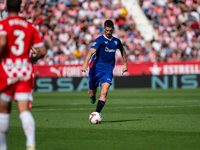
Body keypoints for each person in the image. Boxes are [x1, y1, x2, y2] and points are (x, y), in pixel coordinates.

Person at [0, 0, 47, 150]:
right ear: (21, 7)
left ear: (6, 7)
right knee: (24, 110)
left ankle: (3, 146)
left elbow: (1, 44)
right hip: (24, 70)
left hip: (7, 70)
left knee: (4, 111)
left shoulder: (3, 24)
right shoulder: (29, 26)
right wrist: (30, 60)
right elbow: (43, 52)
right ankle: (30, 143)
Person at [81, 20, 128, 113]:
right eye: (107, 30)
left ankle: (97, 113)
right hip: (95, 70)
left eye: (110, 30)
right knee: (91, 94)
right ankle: (91, 94)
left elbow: (122, 50)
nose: (108, 32)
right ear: (104, 29)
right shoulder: (99, 40)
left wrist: (125, 64)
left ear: (113, 29)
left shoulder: (116, 41)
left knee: (104, 92)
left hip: (107, 71)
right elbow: (91, 52)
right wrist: (85, 63)